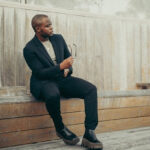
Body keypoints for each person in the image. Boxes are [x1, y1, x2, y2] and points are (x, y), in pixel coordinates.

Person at [23, 14, 103, 150]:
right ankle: (60, 128)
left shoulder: (58, 39)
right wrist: (61, 67)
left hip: (62, 78)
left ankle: (89, 132)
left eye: (51, 24)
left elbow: (67, 59)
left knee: (91, 89)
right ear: (38, 28)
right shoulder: (29, 48)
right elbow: (40, 73)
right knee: (53, 94)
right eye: (47, 25)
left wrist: (68, 69)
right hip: (44, 82)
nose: (51, 27)